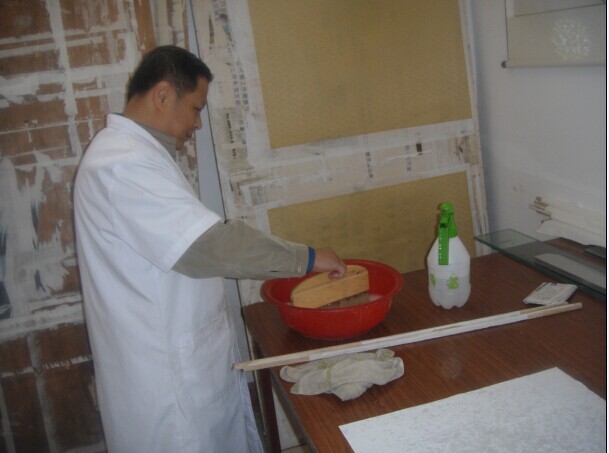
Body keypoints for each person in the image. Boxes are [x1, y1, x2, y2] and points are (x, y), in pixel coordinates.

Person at [73, 45, 346, 453]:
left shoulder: (138, 155)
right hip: (169, 392)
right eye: (196, 109)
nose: (198, 123)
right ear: (163, 95)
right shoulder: (121, 165)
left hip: (182, 368)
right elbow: (210, 247)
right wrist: (307, 257)